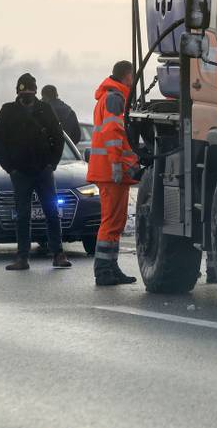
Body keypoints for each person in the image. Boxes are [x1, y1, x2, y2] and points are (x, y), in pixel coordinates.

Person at [0, 73, 72, 271]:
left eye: (30, 91)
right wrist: (10, 168)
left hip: (43, 170)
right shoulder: (8, 111)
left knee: (52, 213)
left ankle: (58, 253)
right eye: (24, 92)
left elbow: (58, 138)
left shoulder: (45, 109)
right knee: (22, 215)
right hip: (20, 172)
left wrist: (51, 164)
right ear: (18, 93)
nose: (27, 95)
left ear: (35, 92)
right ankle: (22, 257)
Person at [86, 60, 139, 286]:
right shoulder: (115, 98)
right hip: (110, 171)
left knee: (116, 222)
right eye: (133, 76)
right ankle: (103, 271)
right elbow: (113, 132)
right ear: (127, 76)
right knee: (110, 222)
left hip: (109, 170)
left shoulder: (110, 96)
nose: (134, 80)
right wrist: (117, 165)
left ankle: (110, 267)